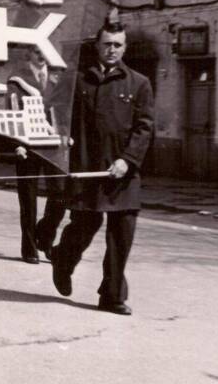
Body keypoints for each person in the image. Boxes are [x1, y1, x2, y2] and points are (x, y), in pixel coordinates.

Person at [50, 22, 154, 316]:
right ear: (97, 46)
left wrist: (127, 160)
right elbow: (54, 110)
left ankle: (112, 295)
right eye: (107, 44)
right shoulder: (77, 80)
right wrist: (61, 134)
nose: (112, 50)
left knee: (122, 233)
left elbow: (145, 128)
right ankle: (63, 260)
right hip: (87, 168)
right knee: (84, 227)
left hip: (123, 172)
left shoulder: (139, 83)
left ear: (125, 48)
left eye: (118, 45)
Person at [9, 46, 68, 264]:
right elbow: (13, 113)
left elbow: (63, 111)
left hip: (53, 145)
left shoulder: (57, 78)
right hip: (28, 145)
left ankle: (45, 235)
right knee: (28, 199)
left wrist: (65, 134)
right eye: (36, 51)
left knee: (61, 193)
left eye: (44, 51)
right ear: (29, 54)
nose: (41, 55)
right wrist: (18, 143)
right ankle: (29, 248)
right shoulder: (17, 80)